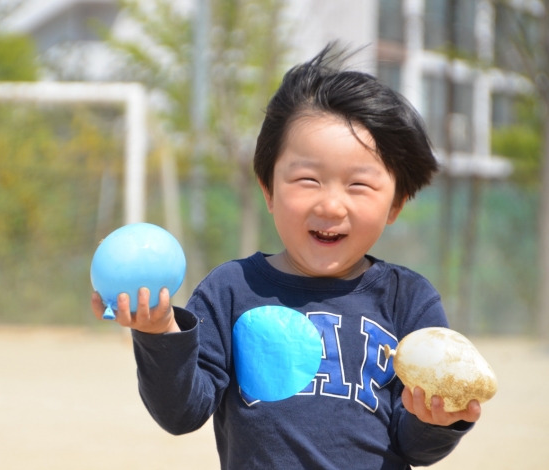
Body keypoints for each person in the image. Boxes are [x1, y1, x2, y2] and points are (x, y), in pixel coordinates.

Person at [91, 44, 481, 469]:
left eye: (359, 185)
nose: (331, 205)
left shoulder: (409, 300)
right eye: (308, 179)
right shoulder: (231, 291)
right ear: (269, 190)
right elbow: (182, 413)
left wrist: (434, 421)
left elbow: (415, 448)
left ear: (396, 204)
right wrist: (159, 332)